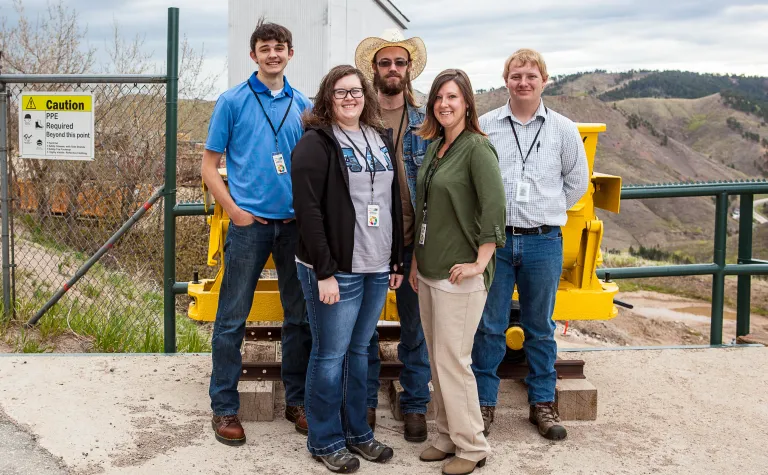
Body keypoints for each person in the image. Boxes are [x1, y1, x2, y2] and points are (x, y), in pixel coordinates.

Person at [203, 20, 313, 445]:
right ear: (253, 55)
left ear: (289, 54)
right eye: (264, 48)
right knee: (231, 319)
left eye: (279, 47)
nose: (272, 54)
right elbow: (209, 167)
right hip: (249, 228)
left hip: (293, 228)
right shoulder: (231, 101)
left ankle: (297, 401)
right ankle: (225, 408)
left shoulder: (302, 104)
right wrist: (235, 212)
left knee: (299, 318)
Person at [292, 64, 404, 473]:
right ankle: (324, 439)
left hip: (376, 266)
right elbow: (307, 212)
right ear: (327, 97)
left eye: (356, 91)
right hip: (336, 268)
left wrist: (395, 258)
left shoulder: (379, 137)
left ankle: (359, 434)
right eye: (341, 92)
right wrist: (324, 271)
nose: (350, 98)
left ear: (367, 95)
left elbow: (390, 201)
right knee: (330, 354)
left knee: (360, 352)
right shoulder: (316, 143)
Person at [473, 48, 589, 441]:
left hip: (543, 241)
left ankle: (543, 403)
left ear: (545, 80)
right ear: (506, 79)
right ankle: (483, 405)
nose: (523, 82)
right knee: (489, 327)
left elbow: (576, 182)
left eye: (531, 76)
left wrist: (548, 208)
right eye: (516, 75)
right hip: (498, 242)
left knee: (540, 327)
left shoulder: (563, 129)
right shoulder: (486, 125)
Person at [410, 69, 506, 475]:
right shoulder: (436, 148)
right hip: (429, 269)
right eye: (438, 98)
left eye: (452, 97)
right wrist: (415, 260)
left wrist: (479, 263)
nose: (444, 104)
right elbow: (425, 209)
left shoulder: (477, 149)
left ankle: (472, 445)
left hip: (459, 276)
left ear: (467, 102)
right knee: (437, 361)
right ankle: (447, 434)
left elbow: (494, 207)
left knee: (454, 361)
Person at [354, 29, 431, 442]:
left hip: (413, 238)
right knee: (364, 328)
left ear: (409, 69)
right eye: (385, 63)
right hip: (369, 239)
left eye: (399, 63)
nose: (393, 69)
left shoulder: (425, 121)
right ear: (374, 69)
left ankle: (416, 404)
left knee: (415, 327)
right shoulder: (359, 118)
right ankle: (365, 402)